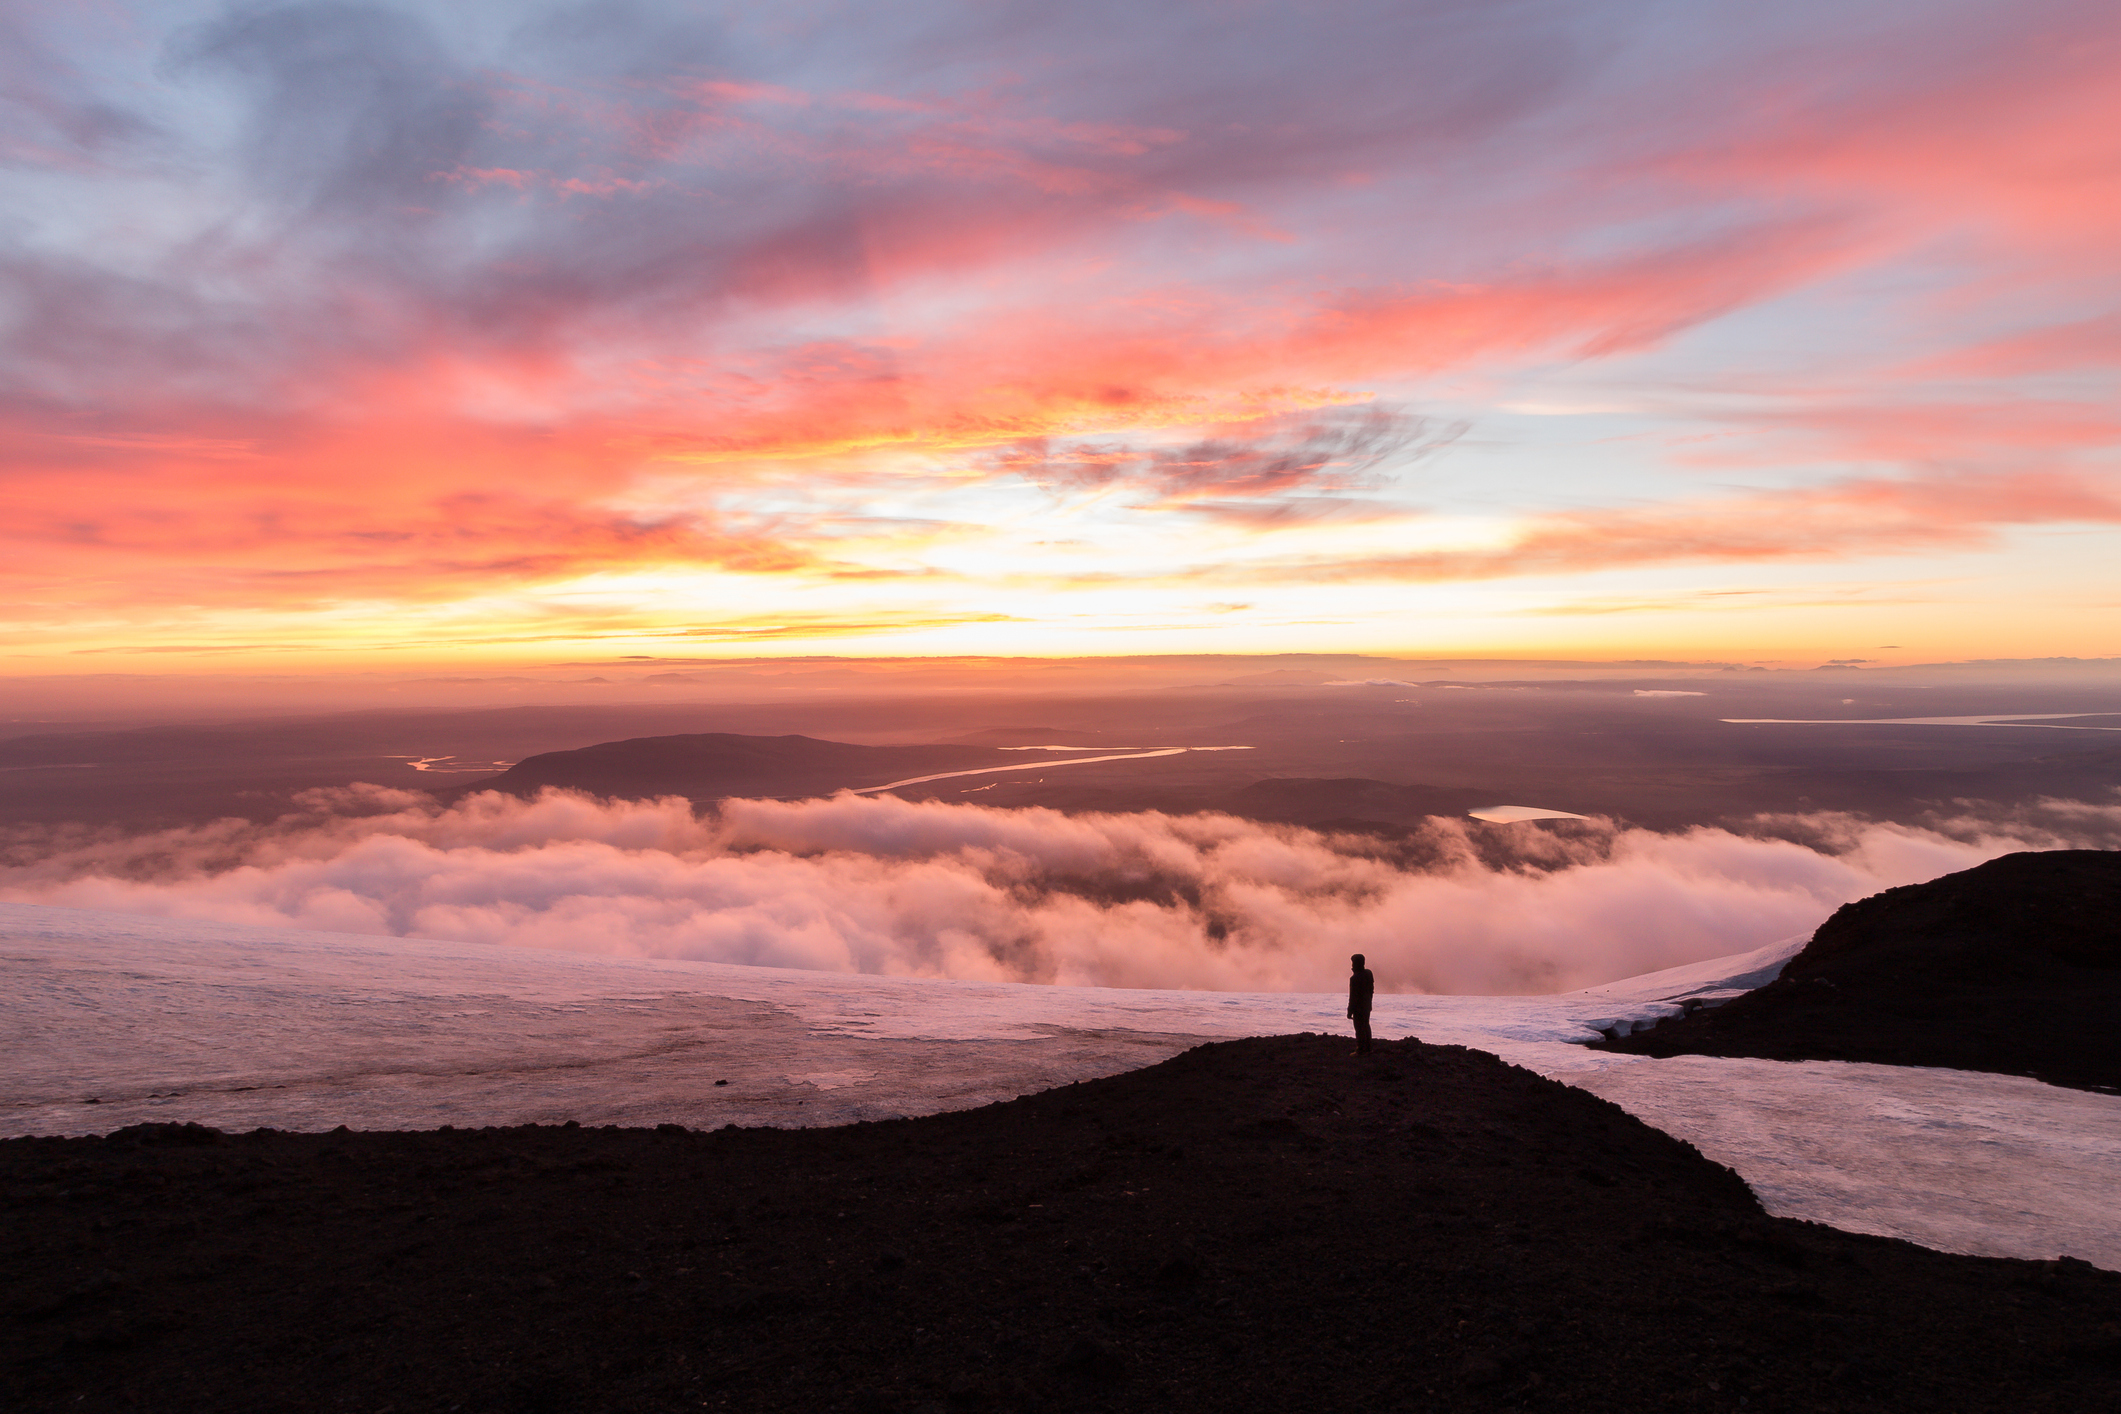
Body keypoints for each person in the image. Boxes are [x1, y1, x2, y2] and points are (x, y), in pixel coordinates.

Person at [1347, 952, 1375, 1055]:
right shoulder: (1368, 973)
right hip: (1367, 1005)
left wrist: (1350, 1011)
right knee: (1366, 1026)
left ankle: (1360, 1049)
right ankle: (1368, 1048)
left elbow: (1353, 997)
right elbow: (1371, 990)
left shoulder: (1355, 978)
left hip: (1359, 1007)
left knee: (1359, 1028)